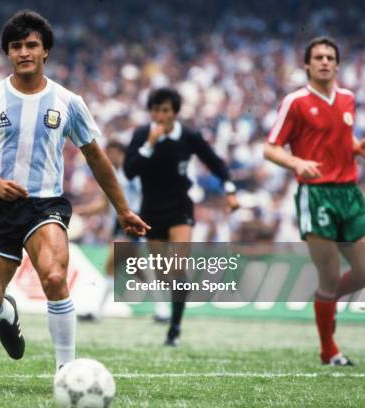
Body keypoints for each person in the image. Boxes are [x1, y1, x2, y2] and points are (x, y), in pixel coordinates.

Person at [0, 10, 149, 371]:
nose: (24, 52)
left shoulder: (68, 102)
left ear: (45, 51)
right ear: (8, 53)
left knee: (55, 276)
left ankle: (66, 371)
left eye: (32, 45)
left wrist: (123, 210)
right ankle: (6, 312)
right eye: (16, 46)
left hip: (44, 206)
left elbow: (96, 158)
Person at [264, 36, 365, 366]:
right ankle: (329, 350)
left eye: (329, 57)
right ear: (307, 64)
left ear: (337, 64)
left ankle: (327, 303)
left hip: (350, 194)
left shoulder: (348, 99)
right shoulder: (295, 101)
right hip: (316, 195)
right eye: (318, 57)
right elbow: (271, 147)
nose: (324, 61)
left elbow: (337, 136)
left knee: (363, 271)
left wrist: (355, 148)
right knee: (330, 275)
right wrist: (296, 163)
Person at [124, 87, 239, 346]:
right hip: (151, 212)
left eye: (165, 110)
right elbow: (130, 171)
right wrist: (150, 144)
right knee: (164, 274)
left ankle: (174, 329)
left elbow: (216, 163)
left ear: (174, 113)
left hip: (180, 210)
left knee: (177, 269)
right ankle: (175, 309)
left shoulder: (188, 136)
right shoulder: (142, 135)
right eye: (156, 110)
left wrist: (230, 190)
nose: (160, 116)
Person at [74, 142, 164, 322]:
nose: (109, 157)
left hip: (133, 221)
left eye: (112, 153)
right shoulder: (113, 174)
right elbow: (103, 204)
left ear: (120, 153)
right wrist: (81, 211)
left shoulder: (133, 174)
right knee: (138, 270)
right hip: (122, 223)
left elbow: (149, 196)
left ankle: (96, 312)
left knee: (111, 265)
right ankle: (163, 311)